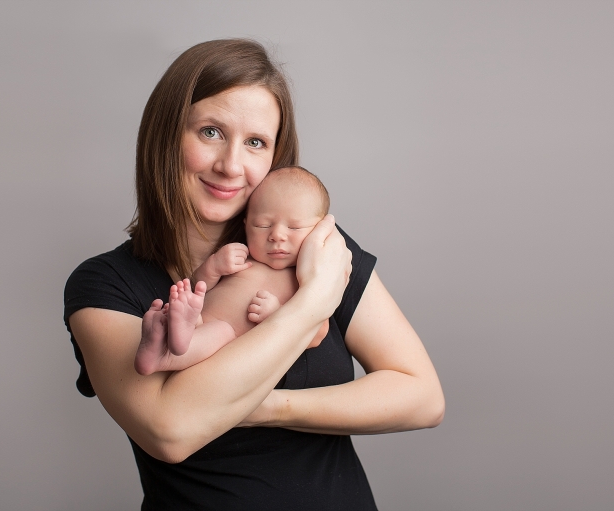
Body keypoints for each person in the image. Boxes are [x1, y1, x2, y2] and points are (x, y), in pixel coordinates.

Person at [64, 39, 444, 511]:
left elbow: (422, 397)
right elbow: (170, 431)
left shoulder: (309, 244)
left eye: (256, 143)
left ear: (274, 157)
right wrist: (312, 303)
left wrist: (268, 409)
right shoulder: (105, 284)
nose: (231, 166)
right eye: (210, 132)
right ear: (165, 134)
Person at [134, 166, 331, 376]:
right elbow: (198, 285)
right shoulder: (241, 258)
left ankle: (163, 353)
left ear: (319, 230)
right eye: (262, 225)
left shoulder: (309, 278)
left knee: (220, 333)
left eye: (294, 228)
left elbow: (317, 333)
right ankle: (166, 336)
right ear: (246, 225)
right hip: (200, 319)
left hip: (230, 347)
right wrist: (213, 267)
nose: (277, 235)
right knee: (200, 317)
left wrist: (276, 314)